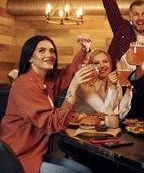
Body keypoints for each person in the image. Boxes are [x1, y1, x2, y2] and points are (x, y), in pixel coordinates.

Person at [0, 35, 93, 173]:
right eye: (42, 51)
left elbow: (68, 72)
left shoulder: (45, 81)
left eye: (52, 51)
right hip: (18, 157)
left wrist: (84, 50)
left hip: (37, 154)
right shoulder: (24, 85)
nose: (49, 54)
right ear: (29, 57)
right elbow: (54, 123)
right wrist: (73, 87)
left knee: (85, 170)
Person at [76, 49, 132, 120]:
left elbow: (120, 114)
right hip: (82, 127)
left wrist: (128, 90)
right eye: (96, 63)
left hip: (105, 127)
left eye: (105, 61)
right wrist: (112, 87)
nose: (102, 65)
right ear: (89, 66)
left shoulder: (114, 82)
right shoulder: (85, 85)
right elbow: (106, 113)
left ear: (110, 64)